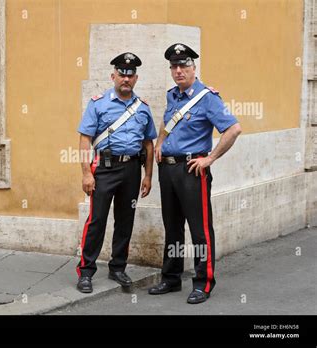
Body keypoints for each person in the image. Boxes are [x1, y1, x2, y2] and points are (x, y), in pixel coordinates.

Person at [148, 43, 242, 304]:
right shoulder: (172, 96)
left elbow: (233, 129)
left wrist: (210, 159)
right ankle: (171, 277)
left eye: (183, 66)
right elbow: (168, 123)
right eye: (174, 67)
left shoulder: (208, 97)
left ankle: (204, 281)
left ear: (193, 68)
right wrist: (159, 143)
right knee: (172, 227)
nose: (178, 71)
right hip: (167, 169)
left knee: (199, 230)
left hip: (192, 170)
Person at [76, 52, 157, 293]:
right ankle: (86, 271)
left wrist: (148, 175)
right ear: (113, 76)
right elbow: (84, 140)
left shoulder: (142, 108)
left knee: (125, 219)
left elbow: (148, 145)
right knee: (97, 219)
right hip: (104, 169)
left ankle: (118, 267)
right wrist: (86, 174)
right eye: (122, 74)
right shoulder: (98, 104)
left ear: (136, 79)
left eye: (130, 75)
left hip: (132, 169)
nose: (126, 79)